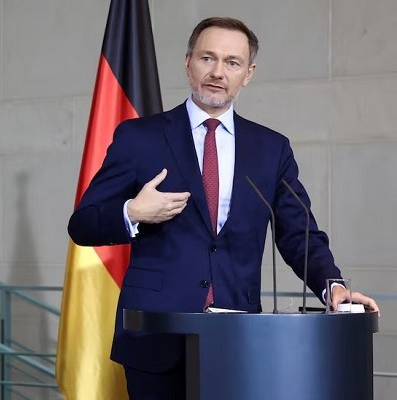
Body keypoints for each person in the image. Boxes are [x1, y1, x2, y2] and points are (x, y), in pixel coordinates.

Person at [67, 17, 379, 399]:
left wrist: (333, 285)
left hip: (239, 339)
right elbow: (82, 224)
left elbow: (299, 233)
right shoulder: (139, 137)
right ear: (188, 63)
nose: (218, 72)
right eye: (207, 58)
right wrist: (132, 212)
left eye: (232, 62)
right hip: (155, 337)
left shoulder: (271, 148)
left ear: (248, 74)